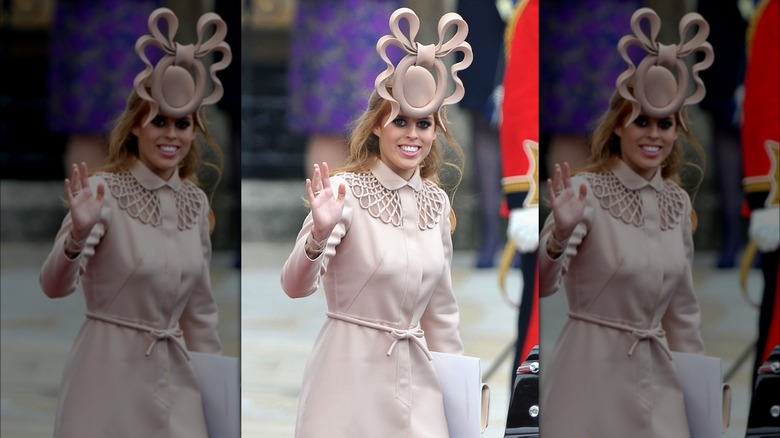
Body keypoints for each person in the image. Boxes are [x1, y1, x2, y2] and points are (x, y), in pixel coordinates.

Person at [39, 7, 232, 437]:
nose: (171, 134)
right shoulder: (103, 192)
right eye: (158, 120)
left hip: (177, 384)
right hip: (104, 380)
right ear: (135, 128)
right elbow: (54, 286)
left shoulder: (195, 204)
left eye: (183, 123)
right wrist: (77, 234)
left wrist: (219, 409)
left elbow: (200, 316)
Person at [280, 7, 472, 437]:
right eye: (400, 120)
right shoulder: (345, 192)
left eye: (424, 123)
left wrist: (462, 403)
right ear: (376, 127)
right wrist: (318, 233)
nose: (412, 134)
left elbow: (441, 318)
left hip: (419, 390)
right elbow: (295, 286)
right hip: (345, 386)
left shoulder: (436, 204)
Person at [538, 7, 713, 437]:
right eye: (642, 121)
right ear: (618, 126)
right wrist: (558, 233)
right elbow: (544, 283)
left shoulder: (675, 202)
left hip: (660, 392)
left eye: (665, 123)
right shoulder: (585, 193)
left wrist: (704, 413)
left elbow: (684, 321)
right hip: (588, 388)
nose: (654, 134)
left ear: (677, 130)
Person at [286, 0, 403, 175]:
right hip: (331, 18)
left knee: (381, 120)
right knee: (332, 127)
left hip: (364, 18)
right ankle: (331, 201)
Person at [47, 0, 161, 175]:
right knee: (88, 129)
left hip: (128, 19)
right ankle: (89, 200)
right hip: (89, 20)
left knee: (140, 124)